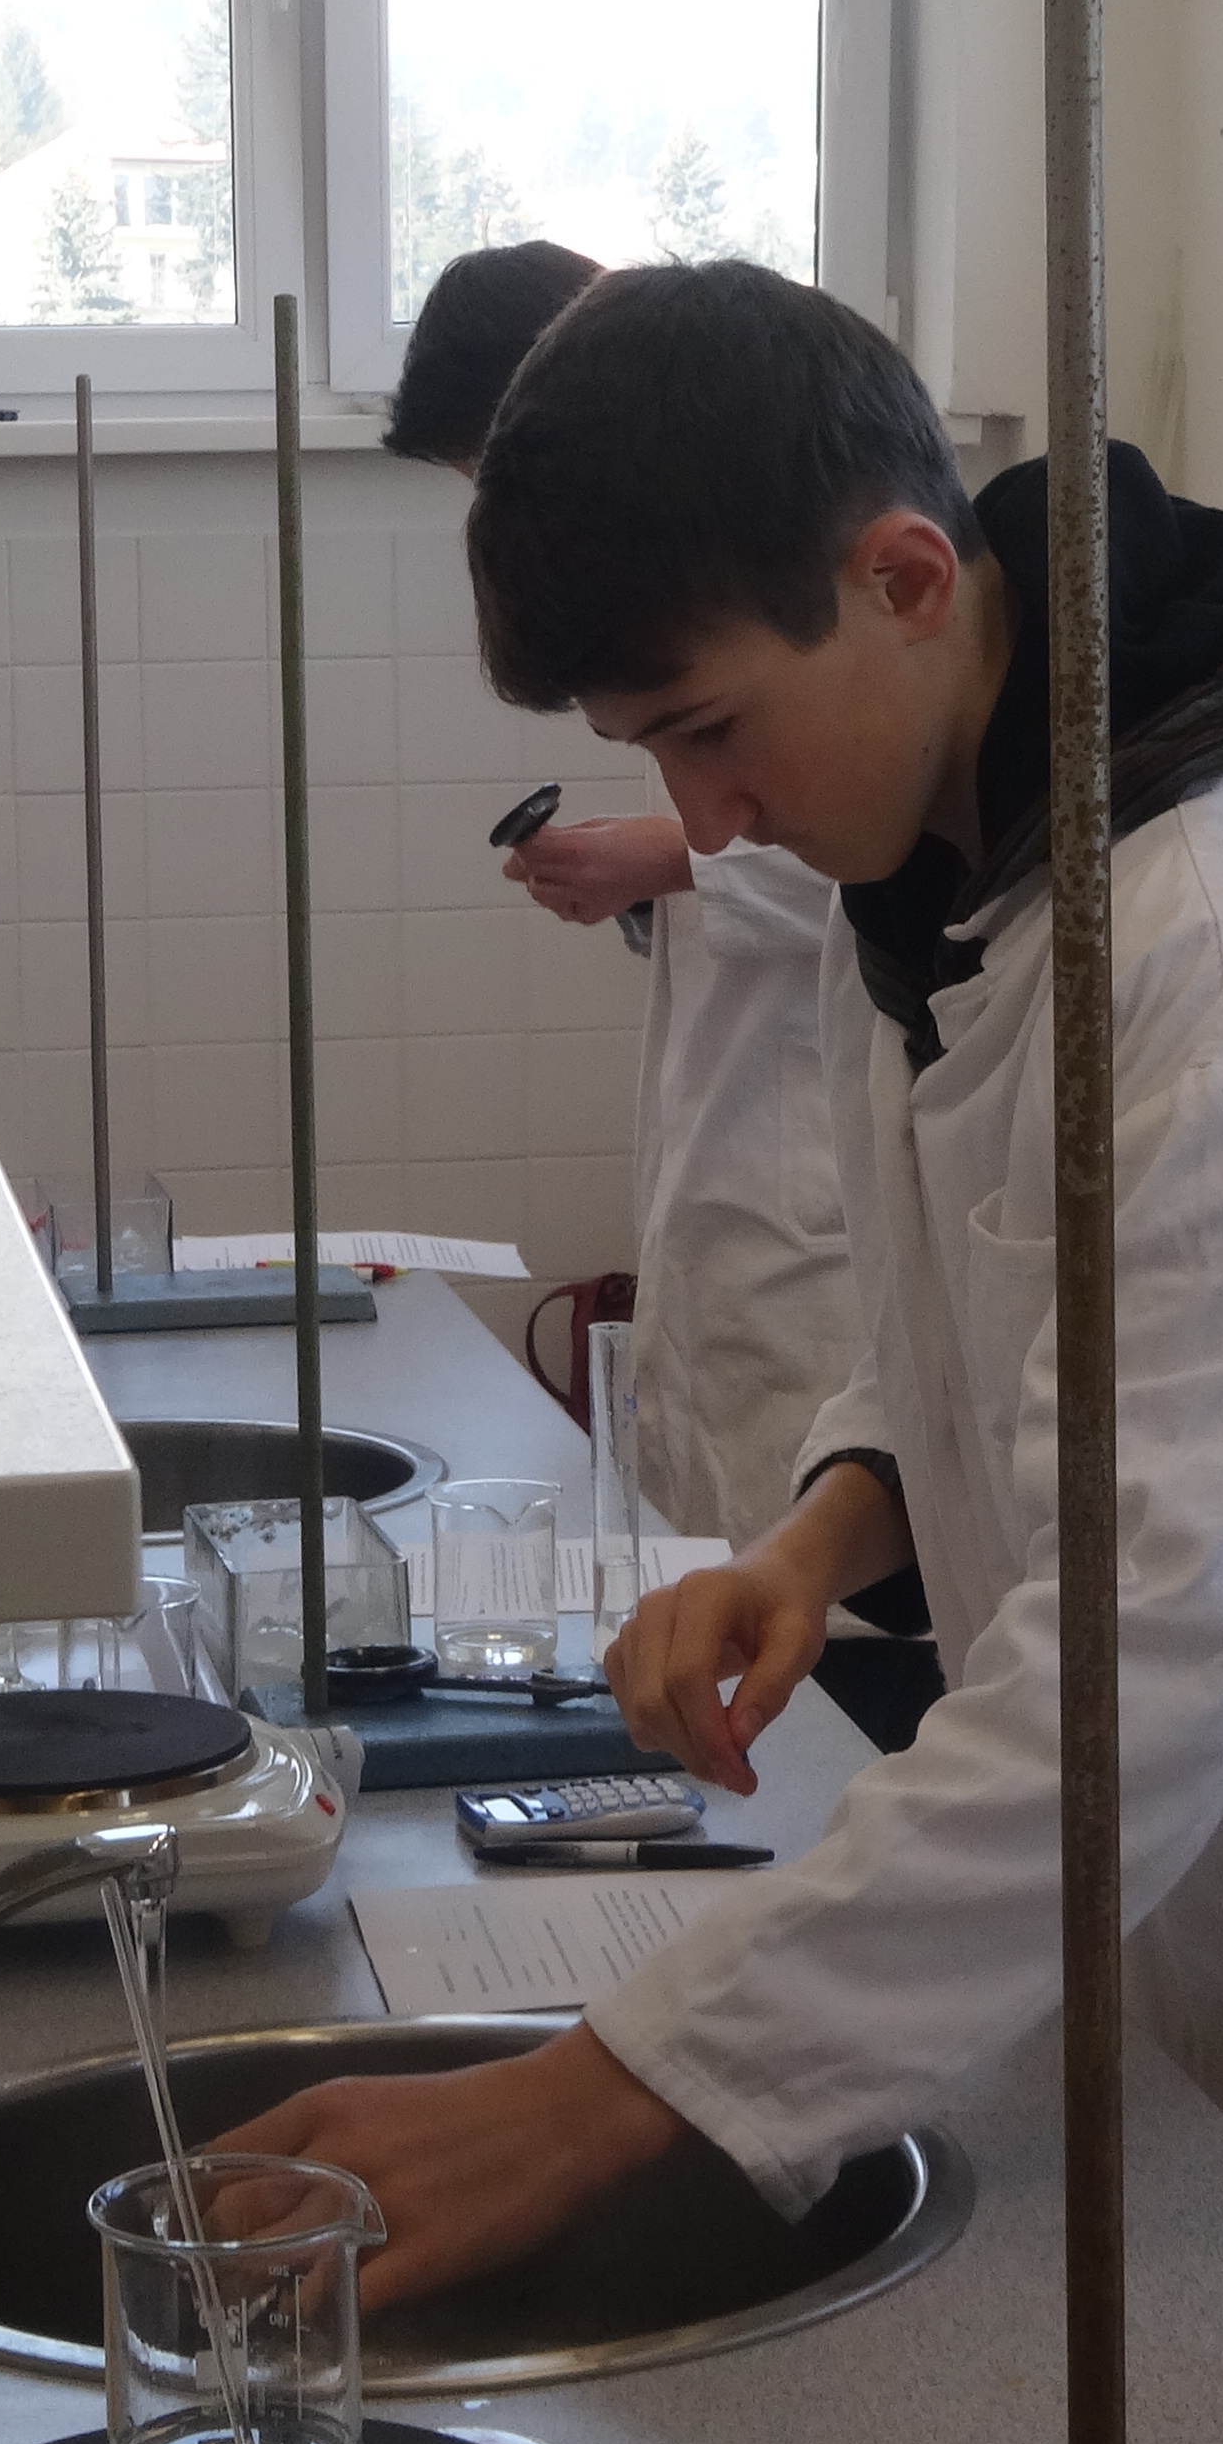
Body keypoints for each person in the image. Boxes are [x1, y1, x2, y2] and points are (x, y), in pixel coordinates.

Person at [240, 260, 1223, 2443]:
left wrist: (590, 2101)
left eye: (708, 728)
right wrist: (829, 1525)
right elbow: (992, 1306)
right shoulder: (953, 881)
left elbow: (1133, 1667)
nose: (706, 817)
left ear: (907, 579)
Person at [390, 241, 920, 1724]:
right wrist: (656, 878)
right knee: (752, 1650)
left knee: (843, 1683)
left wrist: (666, 857)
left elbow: (863, 867)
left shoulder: (838, 634)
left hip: (812, 1255)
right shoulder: (751, 653)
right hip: (740, 1227)